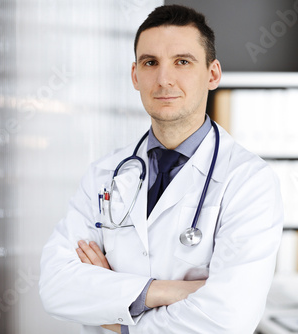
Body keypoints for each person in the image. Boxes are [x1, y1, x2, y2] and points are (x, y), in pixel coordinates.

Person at [40, 4, 283, 334]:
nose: (164, 79)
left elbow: (229, 319)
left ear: (212, 74)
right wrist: (167, 291)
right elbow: (55, 287)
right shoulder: (103, 174)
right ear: (135, 76)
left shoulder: (249, 182)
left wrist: (120, 319)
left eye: (182, 62)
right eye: (150, 63)